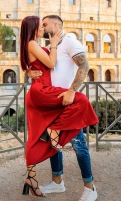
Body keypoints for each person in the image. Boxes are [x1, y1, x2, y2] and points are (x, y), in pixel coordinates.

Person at [20, 16, 99, 198]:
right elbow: (35, 61)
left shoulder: (70, 41)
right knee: (54, 145)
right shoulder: (47, 47)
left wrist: (72, 91)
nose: (43, 28)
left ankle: (90, 188)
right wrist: (28, 71)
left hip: (66, 101)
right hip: (51, 103)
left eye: (45, 24)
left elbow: (84, 65)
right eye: (41, 25)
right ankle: (57, 182)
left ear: (56, 25)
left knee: (79, 146)